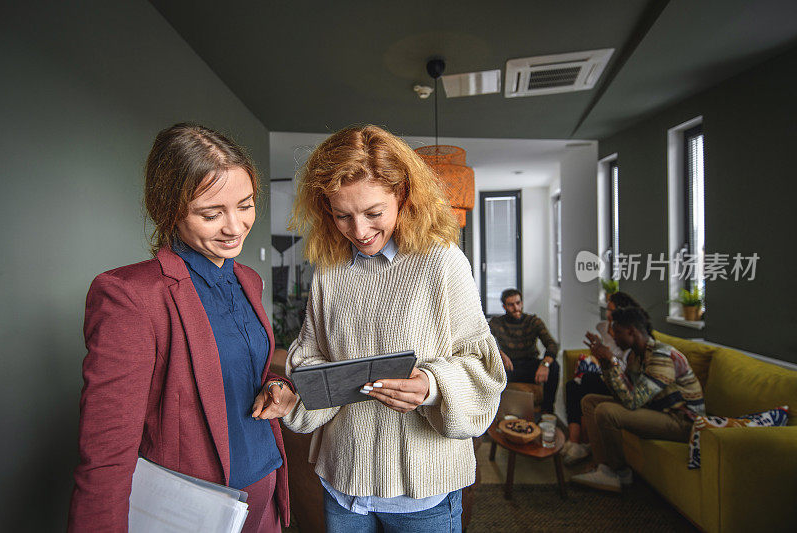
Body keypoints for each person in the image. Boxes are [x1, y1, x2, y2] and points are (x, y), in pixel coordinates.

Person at [68, 123, 294, 532]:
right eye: (211, 213)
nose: (235, 226)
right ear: (169, 209)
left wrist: (279, 387)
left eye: (245, 205)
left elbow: (239, 372)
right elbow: (106, 451)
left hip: (267, 488)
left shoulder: (248, 279)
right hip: (196, 506)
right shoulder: (130, 294)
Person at [282, 125, 506, 533]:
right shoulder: (329, 271)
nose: (360, 231)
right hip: (343, 481)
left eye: (373, 213)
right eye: (342, 216)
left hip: (423, 492)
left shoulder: (442, 262)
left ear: (403, 196)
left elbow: (483, 366)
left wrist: (432, 385)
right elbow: (310, 355)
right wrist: (296, 390)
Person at [570, 307, 705, 492]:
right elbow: (621, 392)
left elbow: (633, 401)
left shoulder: (661, 356)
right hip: (656, 410)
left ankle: (617, 472)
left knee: (605, 411)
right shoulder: (636, 356)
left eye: (617, 331)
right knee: (590, 401)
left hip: (682, 422)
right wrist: (605, 363)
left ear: (631, 331)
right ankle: (605, 468)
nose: (613, 336)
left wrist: (613, 361)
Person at [561, 291, 647, 465]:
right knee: (573, 385)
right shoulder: (604, 327)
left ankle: (586, 445)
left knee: (586, 382)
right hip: (609, 374)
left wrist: (609, 357)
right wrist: (599, 353)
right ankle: (575, 441)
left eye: (610, 309)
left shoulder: (639, 347)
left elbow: (628, 378)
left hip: (622, 382)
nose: (607, 313)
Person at [488, 288, 560, 414]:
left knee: (554, 366)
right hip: (509, 367)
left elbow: (552, 344)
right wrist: (500, 353)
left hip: (530, 365)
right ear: (504, 307)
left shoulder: (533, 321)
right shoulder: (497, 323)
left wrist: (545, 364)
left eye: (518, 303)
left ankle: (547, 412)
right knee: (488, 371)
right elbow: (485, 341)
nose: (516, 308)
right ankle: (490, 415)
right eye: (511, 305)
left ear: (522, 303)